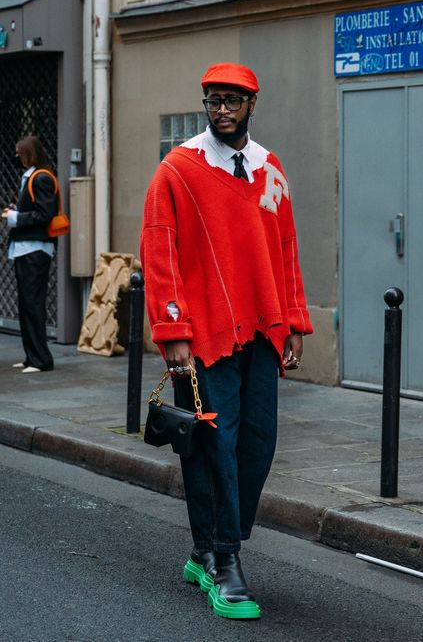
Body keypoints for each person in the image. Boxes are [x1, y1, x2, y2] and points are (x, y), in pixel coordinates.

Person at [140, 62, 313, 619]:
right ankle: (224, 561)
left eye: (231, 102)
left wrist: (292, 321)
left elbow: (286, 250)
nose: (221, 111)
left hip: (261, 332)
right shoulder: (178, 170)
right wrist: (172, 330)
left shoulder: (270, 169)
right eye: (213, 101)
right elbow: (159, 250)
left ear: (251, 105)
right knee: (216, 444)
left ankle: (204, 548)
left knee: (257, 445)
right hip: (206, 334)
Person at [1, 136, 57, 373]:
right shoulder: (32, 176)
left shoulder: (41, 178)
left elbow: (45, 215)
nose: (16, 157)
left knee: (33, 304)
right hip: (26, 248)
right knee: (26, 304)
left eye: (18, 153)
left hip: (35, 249)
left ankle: (41, 359)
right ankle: (31, 356)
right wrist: (16, 210)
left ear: (28, 154)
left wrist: (14, 218)